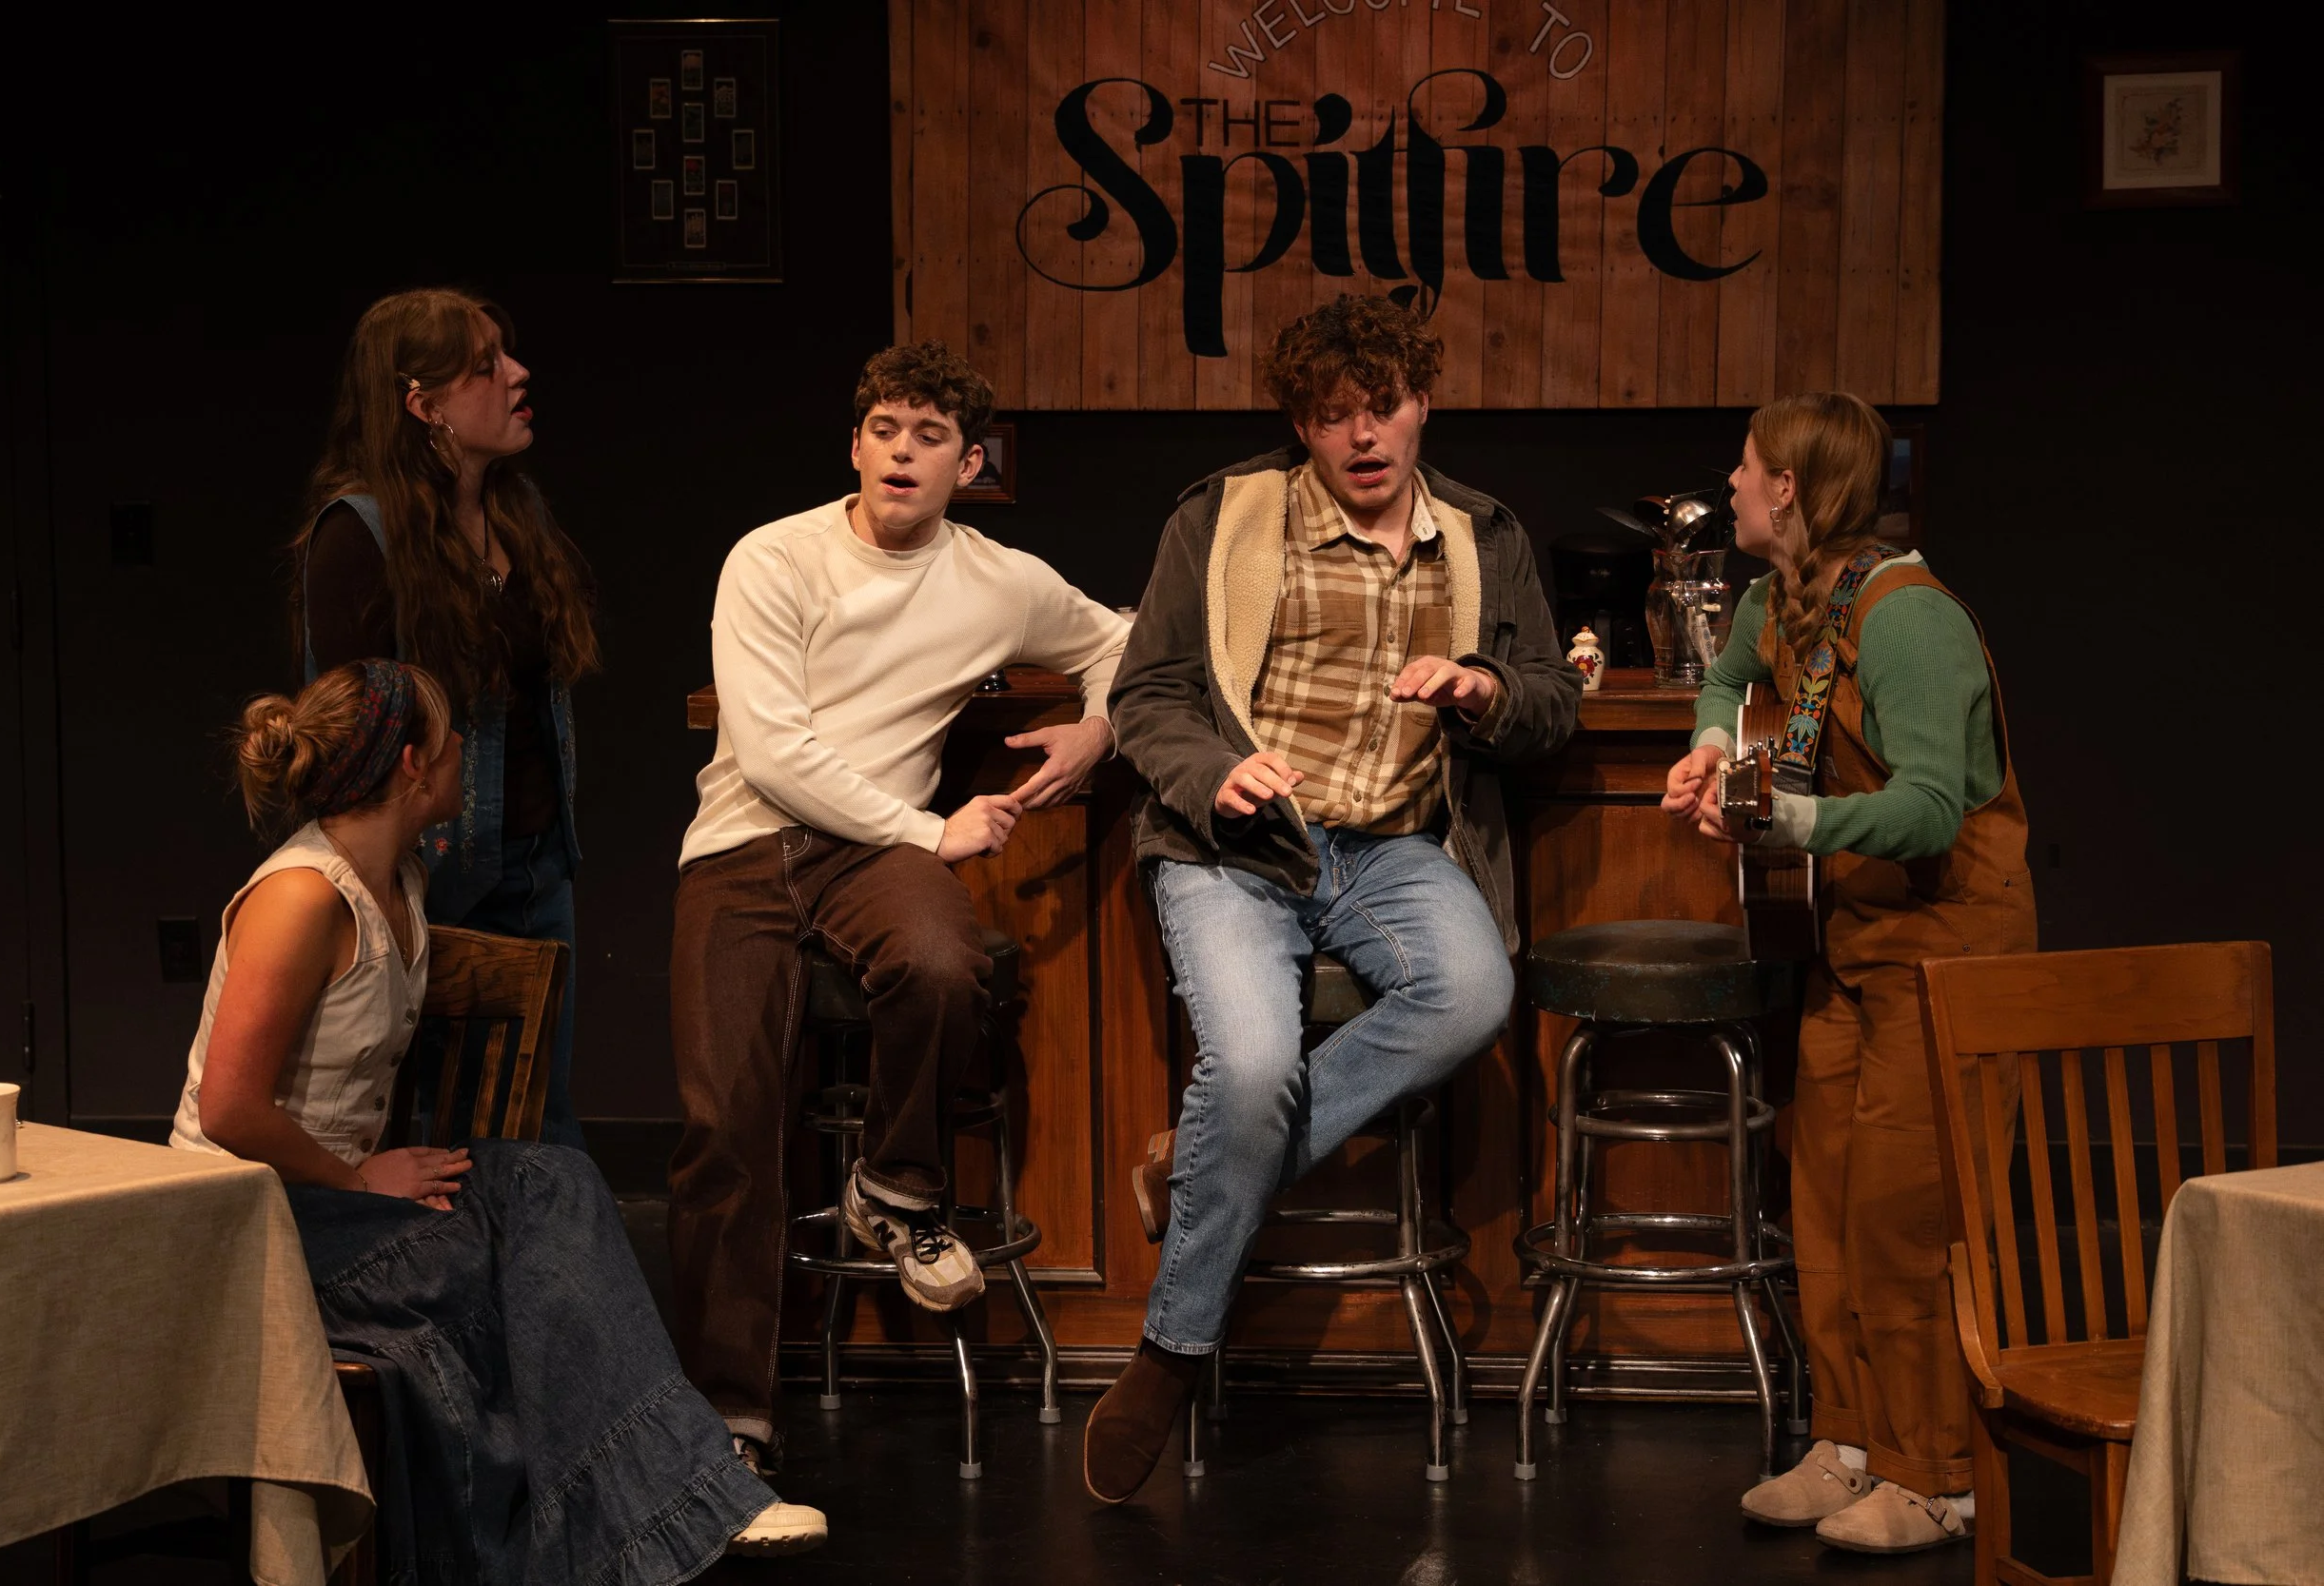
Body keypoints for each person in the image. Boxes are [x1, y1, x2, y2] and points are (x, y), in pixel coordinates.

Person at [169, 658, 826, 1575]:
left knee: (552, 1182)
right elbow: (230, 1107)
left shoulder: (398, 877)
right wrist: (360, 1177)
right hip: (254, 1220)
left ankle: (677, 1497)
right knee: (502, 1267)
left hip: (333, 1201)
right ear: (412, 764)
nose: (461, 755)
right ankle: (626, 1523)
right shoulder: (300, 897)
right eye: (448, 740)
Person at [1086, 295, 1584, 1503]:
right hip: (1240, 847)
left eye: (1383, 407)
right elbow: (1146, 693)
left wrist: (1482, 691)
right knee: (1252, 1066)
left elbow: (1548, 699)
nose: (1362, 435)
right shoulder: (1224, 514)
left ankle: (1198, 1160)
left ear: (1422, 405)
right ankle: (1171, 1350)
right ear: (1300, 425)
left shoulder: (1481, 533)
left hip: (1393, 848)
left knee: (1472, 993)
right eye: (1331, 415)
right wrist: (1214, 773)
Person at [668, 342, 1130, 1475]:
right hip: (745, 844)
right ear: (855, 444)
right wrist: (930, 831)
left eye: (929, 436)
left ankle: (895, 1182)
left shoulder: (996, 578)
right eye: (885, 429)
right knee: (728, 1125)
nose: (902, 453)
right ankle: (730, 1419)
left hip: (870, 851)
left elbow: (1123, 637)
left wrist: (1097, 728)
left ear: (967, 464)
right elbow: (773, 755)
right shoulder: (773, 556)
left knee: (941, 960)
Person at [1662, 391, 2034, 1554]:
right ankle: (1854, 1439)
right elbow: (1725, 681)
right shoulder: (1776, 600)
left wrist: (1787, 821)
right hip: (1856, 943)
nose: (1730, 481)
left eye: (1746, 465)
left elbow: (1928, 811)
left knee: (1906, 1216)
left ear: (1788, 490)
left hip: (1949, 944)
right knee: (1821, 1197)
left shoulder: (1908, 618)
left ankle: (1939, 1474)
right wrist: (1712, 747)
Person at [294, 287, 597, 1148]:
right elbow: (351, 740)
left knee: (539, 1122)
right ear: (423, 406)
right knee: (443, 1135)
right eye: (485, 365)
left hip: (538, 868)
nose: (518, 374)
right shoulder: (359, 535)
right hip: (433, 879)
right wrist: (393, 892)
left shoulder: (515, 513)